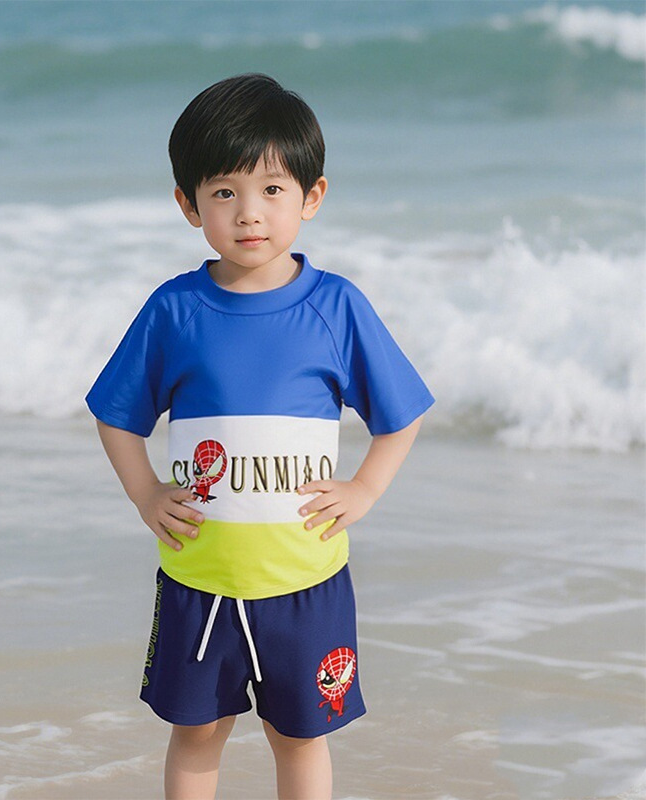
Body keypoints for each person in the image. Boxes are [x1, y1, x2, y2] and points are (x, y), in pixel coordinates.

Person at [85, 73, 435, 800]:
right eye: (224, 193)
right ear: (188, 205)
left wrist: (365, 487)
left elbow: (400, 413)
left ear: (313, 197)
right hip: (199, 580)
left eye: (273, 190)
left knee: (300, 739)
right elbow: (117, 413)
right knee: (196, 737)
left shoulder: (337, 307)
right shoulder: (174, 309)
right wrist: (147, 492)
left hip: (306, 581)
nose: (250, 214)